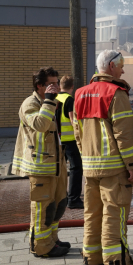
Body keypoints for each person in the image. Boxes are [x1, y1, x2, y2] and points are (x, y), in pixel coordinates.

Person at [73, 50, 133, 265]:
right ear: (111, 66)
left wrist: (86, 158)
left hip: (89, 167)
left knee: (92, 212)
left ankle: (91, 258)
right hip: (114, 168)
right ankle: (116, 263)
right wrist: (132, 165)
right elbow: (124, 134)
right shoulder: (116, 93)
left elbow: (77, 133)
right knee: (114, 212)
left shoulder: (80, 94)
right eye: (121, 64)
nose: (123, 69)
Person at [13, 67, 70, 258]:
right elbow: (40, 125)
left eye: (56, 82)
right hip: (40, 166)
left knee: (59, 203)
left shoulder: (52, 102)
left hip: (57, 164)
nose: (55, 87)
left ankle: (52, 239)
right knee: (43, 208)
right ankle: (42, 246)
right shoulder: (29, 104)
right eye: (50, 84)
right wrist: (48, 101)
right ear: (39, 86)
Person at [56, 76, 84, 209]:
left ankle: (59, 197)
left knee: (60, 170)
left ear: (60, 85)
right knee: (76, 168)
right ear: (72, 87)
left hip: (58, 141)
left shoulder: (54, 98)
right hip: (70, 141)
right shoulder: (69, 99)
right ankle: (73, 199)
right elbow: (73, 121)